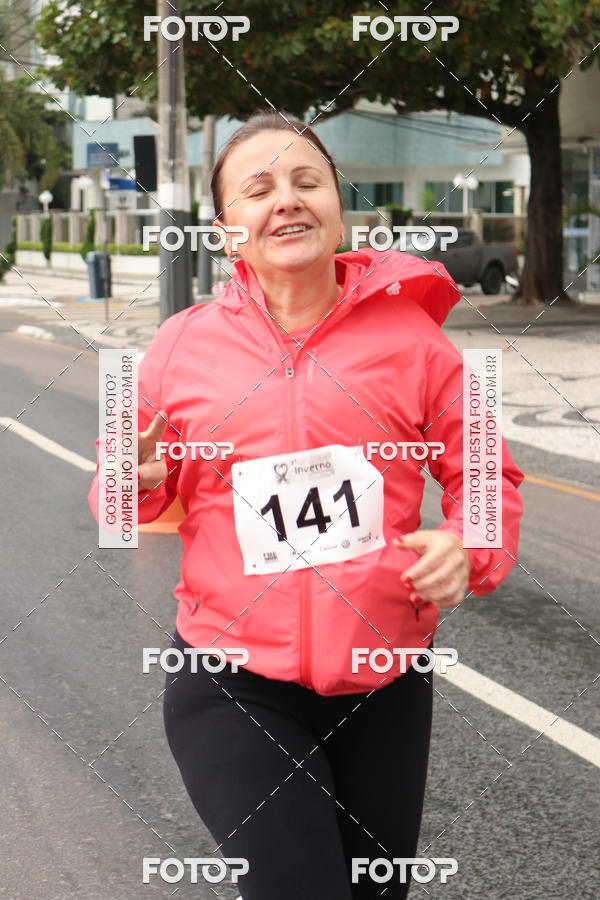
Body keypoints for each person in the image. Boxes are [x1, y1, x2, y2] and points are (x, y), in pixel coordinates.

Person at [88, 111, 524, 899]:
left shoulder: (417, 340)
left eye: (305, 181)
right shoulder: (178, 347)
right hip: (232, 683)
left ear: (337, 206)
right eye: (258, 190)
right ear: (227, 233)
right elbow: (116, 501)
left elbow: (486, 474)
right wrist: (136, 475)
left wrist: (472, 546)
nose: (285, 200)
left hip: (384, 687)